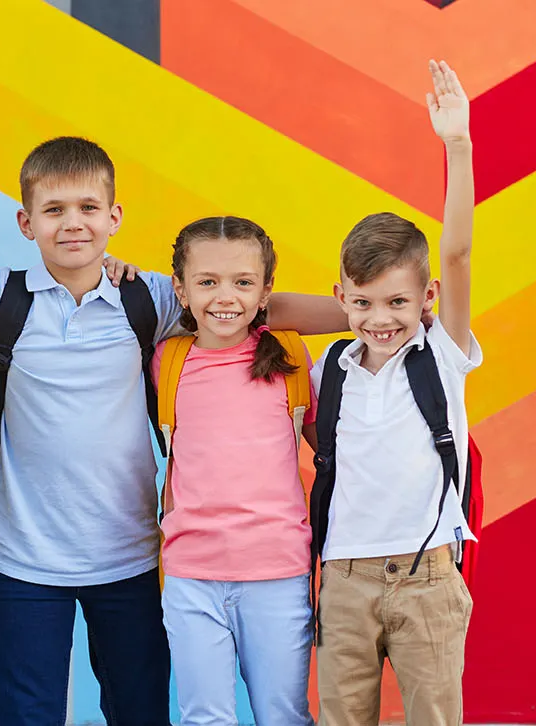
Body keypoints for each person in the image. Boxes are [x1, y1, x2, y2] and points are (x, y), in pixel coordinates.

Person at [0, 136, 347, 724]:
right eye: (54, 210)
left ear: (114, 217)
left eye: (89, 209)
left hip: (132, 557)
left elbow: (254, 307)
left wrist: (370, 310)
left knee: (139, 711)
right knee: (27, 714)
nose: (73, 224)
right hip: (22, 560)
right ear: (25, 222)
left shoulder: (148, 296)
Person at [310, 60, 479, 726]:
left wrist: (457, 146)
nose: (380, 319)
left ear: (428, 298)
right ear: (340, 298)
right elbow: (255, 307)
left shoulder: (440, 354)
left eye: (398, 302)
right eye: (362, 302)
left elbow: (458, 253)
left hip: (426, 580)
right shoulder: (330, 367)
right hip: (343, 582)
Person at [154, 215, 317, 725]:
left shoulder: (290, 356)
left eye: (243, 282)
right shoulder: (166, 361)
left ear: (267, 290)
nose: (225, 296)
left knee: (283, 715)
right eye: (207, 282)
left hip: (278, 573)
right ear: (179, 289)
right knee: (205, 717)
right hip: (190, 575)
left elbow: (333, 450)